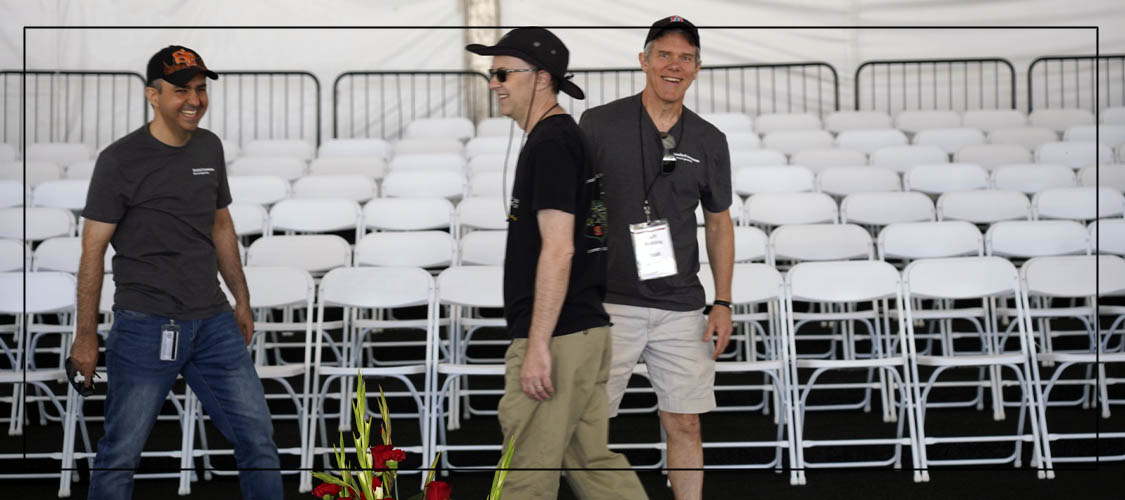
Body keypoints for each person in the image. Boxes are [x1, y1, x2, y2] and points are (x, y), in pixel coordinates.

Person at [69, 45, 282, 500]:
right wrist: (85, 335)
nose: (194, 100)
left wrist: (240, 299)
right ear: (152, 95)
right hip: (146, 324)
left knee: (258, 441)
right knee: (119, 455)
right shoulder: (119, 160)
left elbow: (220, 224)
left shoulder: (210, 146)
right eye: (181, 90)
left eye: (201, 89)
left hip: (214, 322)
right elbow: (93, 252)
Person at [466, 28, 648, 500]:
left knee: (526, 471)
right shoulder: (563, 137)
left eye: (503, 72)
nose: (494, 83)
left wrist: (538, 345)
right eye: (492, 73)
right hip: (585, 332)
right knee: (593, 465)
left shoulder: (550, 144)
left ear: (541, 77)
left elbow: (559, 248)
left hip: (561, 337)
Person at [579, 16, 734, 500]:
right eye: (664, 55)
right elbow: (580, 207)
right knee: (587, 426)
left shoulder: (709, 139)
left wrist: (723, 302)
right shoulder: (598, 123)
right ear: (643, 61)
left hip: (681, 305)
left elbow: (719, 223)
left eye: (685, 58)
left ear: (697, 68)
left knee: (685, 423)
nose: (674, 65)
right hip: (609, 303)